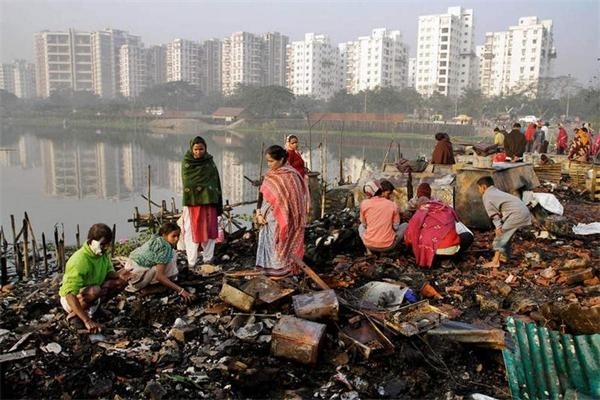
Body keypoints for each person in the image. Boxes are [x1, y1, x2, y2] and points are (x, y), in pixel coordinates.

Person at [59, 223, 129, 333]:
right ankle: (74, 316)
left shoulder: (102, 254)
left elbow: (109, 272)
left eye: (107, 245)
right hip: (72, 300)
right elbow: (69, 295)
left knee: (120, 282)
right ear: (92, 241)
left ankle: (96, 309)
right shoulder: (79, 260)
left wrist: (121, 274)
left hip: (93, 292)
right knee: (95, 290)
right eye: (102, 244)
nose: (105, 248)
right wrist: (87, 321)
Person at [256, 145, 308, 277]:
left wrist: (285, 215)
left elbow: (296, 201)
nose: (269, 164)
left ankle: (282, 271)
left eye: (271, 161)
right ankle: (267, 270)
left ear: (282, 159)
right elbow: (262, 194)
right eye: (267, 161)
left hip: (284, 220)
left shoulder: (291, 176)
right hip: (267, 218)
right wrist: (258, 212)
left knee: (279, 244)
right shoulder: (270, 175)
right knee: (268, 244)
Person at [123, 222, 196, 303]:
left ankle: (157, 283)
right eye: (173, 236)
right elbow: (159, 276)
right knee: (171, 256)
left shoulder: (156, 239)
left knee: (169, 257)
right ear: (164, 235)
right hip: (137, 280)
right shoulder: (165, 248)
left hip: (131, 274)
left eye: (178, 236)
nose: (177, 239)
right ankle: (162, 283)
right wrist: (181, 291)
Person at [180, 136, 223, 266]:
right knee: (191, 231)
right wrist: (204, 188)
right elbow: (189, 182)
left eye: (201, 149)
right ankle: (191, 261)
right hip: (193, 203)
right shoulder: (187, 163)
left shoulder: (209, 162)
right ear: (191, 149)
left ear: (205, 148)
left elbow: (215, 182)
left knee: (210, 230)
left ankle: (208, 259)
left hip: (209, 202)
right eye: (196, 149)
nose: (199, 152)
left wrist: (208, 192)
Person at [476, 176, 531, 269]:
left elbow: (493, 214)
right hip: (523, 210)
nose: (478, 191)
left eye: (478, 188)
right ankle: (505, 256)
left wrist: (498, 227)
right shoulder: (496, 191)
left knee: (500, 235)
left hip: (517, 214)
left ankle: (495, 261)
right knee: (506, 235)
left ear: (484, 187)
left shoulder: (487, 195)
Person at [359, 179, 405, 255]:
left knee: (360, 227)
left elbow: (364, 225)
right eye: (389, 193)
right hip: (388, 246)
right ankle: (389, 251)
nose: (390, 196)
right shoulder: (392, 204)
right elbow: (396, 227)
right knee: (405, 225)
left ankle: (368, 251)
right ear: (381, 191)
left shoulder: (364, 204)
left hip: (369, 244)